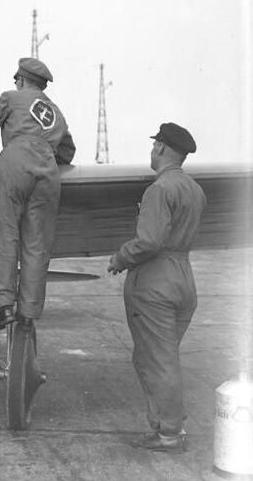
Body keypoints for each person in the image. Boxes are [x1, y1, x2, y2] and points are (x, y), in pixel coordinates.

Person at [107, 123, 205, 452]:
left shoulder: (159, 189)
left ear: (162, 148)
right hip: (183, 279)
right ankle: (170, 425)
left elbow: (149, 241)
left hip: (156, 281)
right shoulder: (194, 189)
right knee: (163, 358)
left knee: (156, 361)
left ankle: (169, 433)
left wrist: (120, 257)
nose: (151, 151)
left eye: (154, 146)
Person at [0, 57, 76, 332]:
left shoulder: (10, 97)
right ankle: (28, 313)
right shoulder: (56, 112)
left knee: (3, 233)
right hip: (47, 171)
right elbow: (68, 152)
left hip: (15, 162)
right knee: (37, 244)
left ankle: (2, 307)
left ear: (21, 80)